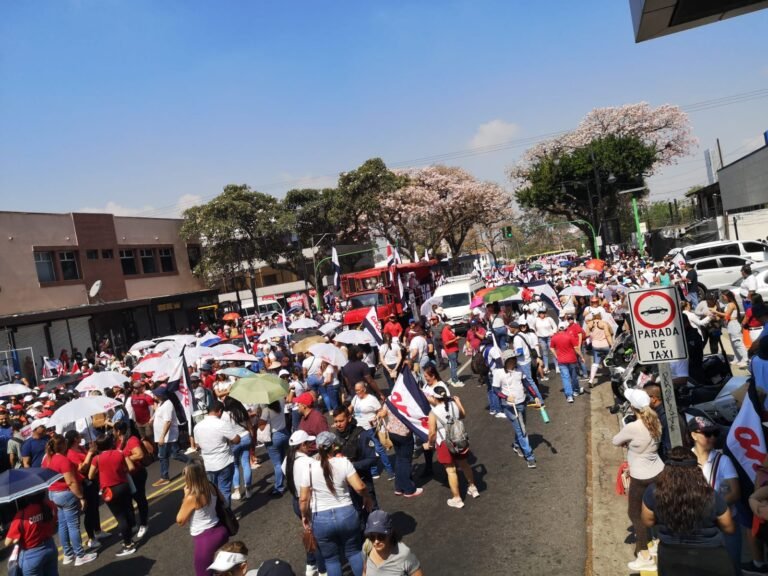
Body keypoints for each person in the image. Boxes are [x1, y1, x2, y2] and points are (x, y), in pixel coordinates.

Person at [640, 446, 736, 575]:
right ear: (696, 470)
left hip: (671, 556)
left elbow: (647, 521)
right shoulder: (710, 494)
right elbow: (729, 528)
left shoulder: (653, 492)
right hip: (711, 556)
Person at [299, 431, 374, 576]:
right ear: (333, 447)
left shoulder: (308, 468)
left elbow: (303, 499)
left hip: (321, 518)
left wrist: (304, 515)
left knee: (331, 560)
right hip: (346, 513)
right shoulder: (343, 462)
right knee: (354, 552)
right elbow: (360, 486)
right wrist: (367, 497)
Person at [612, 388, 665, 566]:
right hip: (658, 470)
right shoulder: (656, 419)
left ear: (632, 407)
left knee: (635, 513)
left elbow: (615, 441)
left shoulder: (633, 427)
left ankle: (644, 556)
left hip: (640, 476)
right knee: (656, 509)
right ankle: (657, 543)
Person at [688, 414, 741, 574]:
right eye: (707, 434)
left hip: (724, 523)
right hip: (696, 525)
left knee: (732, 567)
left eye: (715, 434)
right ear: (693, 435)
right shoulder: (685, 461)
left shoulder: (723, 460)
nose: (712, 438)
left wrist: (709, 507)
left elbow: (735, 493)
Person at [42, 434, 98, 566]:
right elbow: (71, 482)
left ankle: (68, 554)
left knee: (63, 524)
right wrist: (81, 497)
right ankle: (80, 555)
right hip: (65, 494)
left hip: (53, 494)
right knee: (73, 525)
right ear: (62, 445)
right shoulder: (63, 460)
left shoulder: (47, 459)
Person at [426, 384, 479, 508]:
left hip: (444, 442)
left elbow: (432, 432)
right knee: (465, 464)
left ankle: (457, 498)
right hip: (459, 438)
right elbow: (463, 415)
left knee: (451, 470)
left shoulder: (433, 412)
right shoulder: (453, 405)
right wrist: (459, 402)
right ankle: (472, 487)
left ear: (434, 398)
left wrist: (430, 444)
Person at [176, 460, 230, 576]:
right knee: (223, 571)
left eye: (185, 474)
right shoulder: (211, 486)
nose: (184, 477)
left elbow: (180, 520)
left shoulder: (192, 497)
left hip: (205, 540)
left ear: (191, 477)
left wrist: (185, 496)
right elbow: (224, 502)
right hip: (221, 531)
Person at [283, 430, 325, 576]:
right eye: (307, 443)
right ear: (301, 445)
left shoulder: (287, 460)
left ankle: (310, 564)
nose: (310, 445)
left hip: (296, 501)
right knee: (318, 538)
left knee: (309, 533)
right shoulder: (308, 462)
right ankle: (322, 570)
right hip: (308, 503)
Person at [89, 433, 137, 557]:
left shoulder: (97, 459)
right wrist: (121, 470)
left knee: (120, 517)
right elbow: (131, 467)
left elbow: (90, 475)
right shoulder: (120, 453)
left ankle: (128, 544)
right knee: (128, 510)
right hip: (123, 485)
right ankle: (131, 531)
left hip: (109, 490)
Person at [493, 353, 538, 468]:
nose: (513, 362)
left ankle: (517, 445)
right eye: (510, 360)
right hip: (509, 407)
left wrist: (535, 396)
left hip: (522, 402)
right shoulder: (499, 373)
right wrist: (506, 397)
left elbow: (526, 383)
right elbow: (496, 390)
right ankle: (529, 456)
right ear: (505, 361)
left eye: (514, 360)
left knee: (521, 427)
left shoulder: (519, 370)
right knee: (522, 430)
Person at [64, 430, 107, 550]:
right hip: (84, 483)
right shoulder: (71, 453)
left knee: (95, 507)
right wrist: (89, 454)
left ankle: (98, 531)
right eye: (78, 436)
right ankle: (91, 537)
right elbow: (82, 469)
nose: (80, 436)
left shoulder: (81, 448)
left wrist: (92, 450)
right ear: (74, 439)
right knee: (89, 511)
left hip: (92, 480)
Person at [194, 399, 241, 507]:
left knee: (213, 492)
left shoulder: (197, 427)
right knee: (224, 490)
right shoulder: (221, 424)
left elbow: (197, 445)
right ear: (219, 411)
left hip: (208, 464)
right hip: (224, 461)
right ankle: (227, 516)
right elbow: (236, 440)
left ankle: (217, 515)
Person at [332, 407, 380, 512]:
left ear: (349, 418)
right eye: (336, 421)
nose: (338, 424)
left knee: (373, 514)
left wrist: (350, 465)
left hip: (363, 482)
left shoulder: (361, 435)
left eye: (341, 421)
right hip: (345, 487)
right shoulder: (335, 437)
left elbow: (372, 459)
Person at [4, 491, 59, 576]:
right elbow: (54, 524)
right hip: (50, 547)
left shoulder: (21, 516)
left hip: (31, 556)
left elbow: (7, 542)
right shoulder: (51, 505)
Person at [350, 382, 394, 480]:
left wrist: (376, 417)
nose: (356, 392)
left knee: (379, 449)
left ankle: (390, 471)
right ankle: (374, 472)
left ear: (364, 389)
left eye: (358, 390)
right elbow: (351, 407)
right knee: (366, 451)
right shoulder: (356, 398)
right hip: (359, 429)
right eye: (355, 390)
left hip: (370, 429)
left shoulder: (372, 399)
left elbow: (381, 411)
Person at [114, 420, 149, 539]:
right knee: (128, 501)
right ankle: (133, 524)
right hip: (127, 476)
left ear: (118, 431)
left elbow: (139, 455)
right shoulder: (119, 441)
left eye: (113, 430)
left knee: (140, 499)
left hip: (137, 474)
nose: (112, 432)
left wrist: (125, 459)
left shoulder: (132, 440)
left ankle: (143, 523)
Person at [361, 510, 423, 576]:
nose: (376, 541)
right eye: (372, 537)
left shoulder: (403, 554)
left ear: (390, 534)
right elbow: (365, 572)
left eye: (381, 536)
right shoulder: (367, 547)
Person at [152, 388, 189, 487]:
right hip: (162, 436)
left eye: (155, 394)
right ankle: (164, 476)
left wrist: (162, 436)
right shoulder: (161, 403)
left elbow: (167, 421)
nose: (153, 396)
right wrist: (152, 418)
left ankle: (192, 463)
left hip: (168, 436)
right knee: (164, 456)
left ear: (161, 395)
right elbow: (159, 414)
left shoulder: (168, 405)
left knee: (172, 455)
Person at [221, 396, 254, 501]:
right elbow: (250, 425)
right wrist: (252, 437)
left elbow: (224, 431)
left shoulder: (225, 415)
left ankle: (237, 491)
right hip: (246, 437)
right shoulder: (242, 411)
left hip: (234, 441)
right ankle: (248, 489)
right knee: (246, 463)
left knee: (235, 465)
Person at [258, 398, 289, 496]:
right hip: (284, 432)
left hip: (274, 436)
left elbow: (261, 427)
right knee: (284, 460)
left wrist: (260, 416)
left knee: (277, 464)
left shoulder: (266, 410)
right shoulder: (280, 402)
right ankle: (288, 479)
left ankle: (279, 487)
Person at [550, 321, 583, 403]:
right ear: (566, 328)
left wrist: (556, 356)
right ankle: (576, 390)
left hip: (561, 361)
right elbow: (576, 348)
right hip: (572, 359)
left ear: (558, 328)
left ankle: (569, 396)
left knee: (566, 378)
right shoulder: (570, 336)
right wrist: (582, 357)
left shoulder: (554, 337)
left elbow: (551, 348)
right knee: (574, 376)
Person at [714, 290, 748, 368]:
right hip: (730, 325)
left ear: (728, 296)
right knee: (733, 343)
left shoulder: (731, 304)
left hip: (734, 325)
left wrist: (715, 311)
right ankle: (737, 358)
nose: (722, 298)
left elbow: (727, 314)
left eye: (723, 296)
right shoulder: (728, 304)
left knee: (738, 343)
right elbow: (726, 316)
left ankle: (745, 359)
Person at [586, 312, 613, 386]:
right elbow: (609, 334)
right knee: (610, 360)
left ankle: (591, 380)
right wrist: (612, 344)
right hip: (605, 345)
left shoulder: (589, 324)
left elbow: (587, 335)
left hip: (595, 346)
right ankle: (614, 376)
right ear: (600, 317)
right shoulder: (604, 323)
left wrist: (593, 335)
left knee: (595, 363)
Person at [534, 308, 558, 374]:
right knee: (544, 353)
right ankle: (546, 366)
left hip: (549, 337)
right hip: (541, 338)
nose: (542, 314)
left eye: (543, 313)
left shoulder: (549, 319)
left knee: (552, 351)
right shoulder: (536, 320)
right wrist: (536, 334)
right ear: (538, 314)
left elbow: (555, 326)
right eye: (540, 313)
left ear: (545, 313)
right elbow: (532, 327)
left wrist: (553, 333)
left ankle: (557, 366)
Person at [440, 321, 462, 387]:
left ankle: (454, 379)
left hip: (454, 350)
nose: (451, 326)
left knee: (454, 365)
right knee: (453, 366)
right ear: (447, 325)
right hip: (451, 351)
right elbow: (446, 343)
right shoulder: (445, 331)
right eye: (450, 325)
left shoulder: (449, 330)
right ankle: (455, 381)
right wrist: (456, 339)